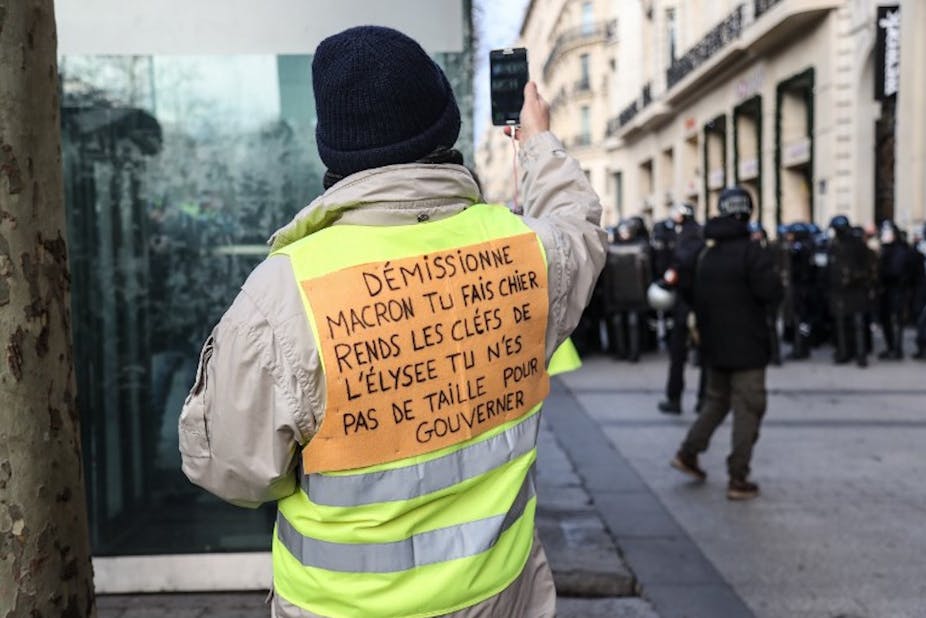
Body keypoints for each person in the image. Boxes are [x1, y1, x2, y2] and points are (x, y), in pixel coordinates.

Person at [178, 26, 606, 618]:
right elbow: (579, 227)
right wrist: (536, 141)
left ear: (332, 148)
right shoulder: (527, 253)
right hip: (497, 594)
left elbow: (230, 471)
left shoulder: (282, 295)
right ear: (444, 123)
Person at [670, 187, 782, 500]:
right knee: (748, 408)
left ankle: (688, 453)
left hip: (714, 346)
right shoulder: (752, 251)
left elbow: (690, 292)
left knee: (716, 402)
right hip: (748, 347)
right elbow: (770, 293)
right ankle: (738, 478)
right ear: (748, 212)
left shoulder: (706, 251)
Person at [658, 202, 704, 414]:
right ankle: (702, 401)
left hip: (688, 300)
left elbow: (682, 261)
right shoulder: (693, 233)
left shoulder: (690, 235)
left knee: (680, 353)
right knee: (700, 353)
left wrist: (672, 274)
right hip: (697, 300)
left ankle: (676, 398)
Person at [826, 215, 873, 367]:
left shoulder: (857, 245)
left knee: (857, 324)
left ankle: (860, 354)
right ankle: (845, 352)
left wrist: (855, 277)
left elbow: (868, 267)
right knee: (842, 324)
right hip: (839, 291)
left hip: (856, 289)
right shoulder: (834, 245)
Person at [877, 219, 912, 359]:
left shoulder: (899, 250)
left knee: (895, 320)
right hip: (887, 290)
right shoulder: (887, 249)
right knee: (887, 320)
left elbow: (895, 271)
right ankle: (891, 347)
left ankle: (896, 350)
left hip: (897, 290)